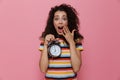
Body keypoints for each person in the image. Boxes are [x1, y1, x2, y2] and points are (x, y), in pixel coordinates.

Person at [39, 3, 84, 80]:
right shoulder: (46, 40)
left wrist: (71, 42)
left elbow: (76, 68)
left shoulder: (76, 41)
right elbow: (43, 69)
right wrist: (46, 45)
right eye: (56, 18)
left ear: (68, 21)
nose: (60, 22)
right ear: (52, 22)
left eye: (64, 18)